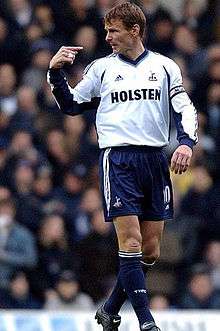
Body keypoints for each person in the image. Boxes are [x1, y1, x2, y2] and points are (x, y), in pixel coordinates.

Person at [47, 2, 198, 330]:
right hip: (118, 160)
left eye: (113, 30)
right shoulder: (101, 69)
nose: (108, 37)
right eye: (105, 30)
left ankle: (110, 308)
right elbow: (72, 105)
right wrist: (55, 73)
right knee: (129, 243)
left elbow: (184, 106)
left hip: (155, 159)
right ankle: (147, 323)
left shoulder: (164, 67)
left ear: (135, 30)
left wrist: (186, 143)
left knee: (150, 250)